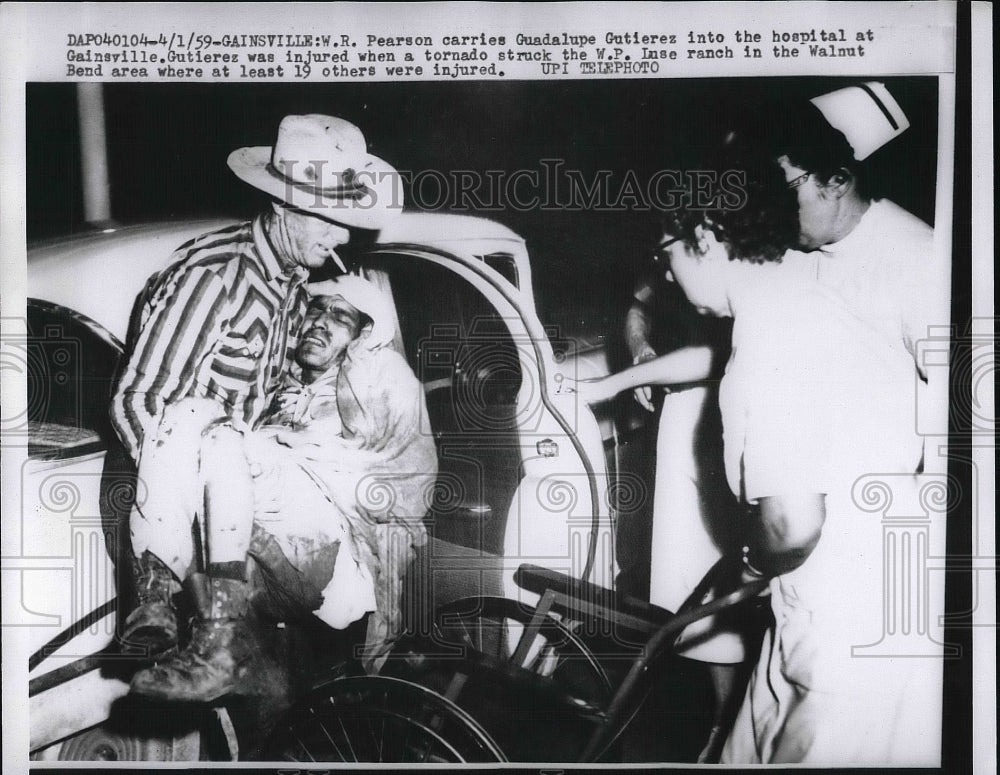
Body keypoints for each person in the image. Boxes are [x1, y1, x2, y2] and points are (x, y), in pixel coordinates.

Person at [595, 81, 945, 762]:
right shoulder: (794, 271)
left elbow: (798, 517)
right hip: (814, 585)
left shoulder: (917, 262)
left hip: (860, 586)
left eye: (782, 183)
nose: (773, 205)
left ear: (837, 178)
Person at [109, 113, 403, 659]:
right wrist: (209, 510)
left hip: (231, 508)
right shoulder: (216, 274)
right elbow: (140, 404)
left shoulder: (291, 287)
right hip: (171, 517)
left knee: (316, 633)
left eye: (347, 221)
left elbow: (254, 395)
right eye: (327, 220)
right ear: (285, 206)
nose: (342, 237)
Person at [126, 275, 437, 702]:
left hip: (331, 543)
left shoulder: (378, 377)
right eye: (316, 310)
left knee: (226, 439)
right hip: (266, 537)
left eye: (340, 316)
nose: (320, 323)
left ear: (361, 336)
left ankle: (218, 624)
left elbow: (408, 478)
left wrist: (315, 451)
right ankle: (161, 597)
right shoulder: (277, 388)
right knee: (189, 414)